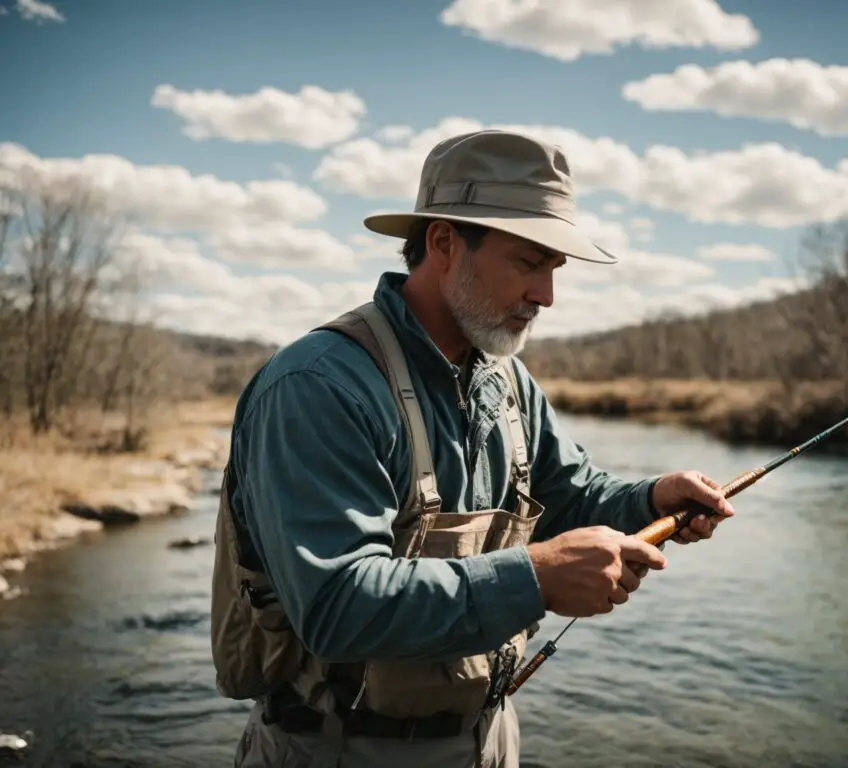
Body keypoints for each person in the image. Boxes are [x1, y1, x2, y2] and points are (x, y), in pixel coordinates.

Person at [210, 129, 736, 768]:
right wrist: (537, 576)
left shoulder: (507, 378)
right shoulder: (317, 387)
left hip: (489, 742)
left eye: (553, 268)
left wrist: (651, 498)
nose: (546, 296)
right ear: (443, 244)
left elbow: (572, 497)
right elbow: (336, 606)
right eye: (527, 262)